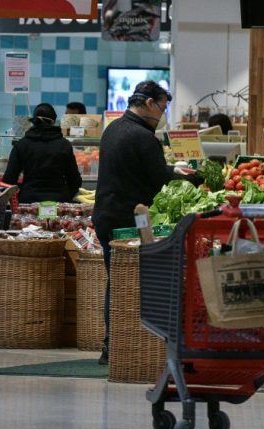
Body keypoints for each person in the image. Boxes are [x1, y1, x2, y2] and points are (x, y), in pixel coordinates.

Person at [92, 81, 197, 365]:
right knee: (132, 284)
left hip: (106, 215)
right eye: (163, 107)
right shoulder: (144, 137)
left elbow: (141, 170)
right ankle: (127, 346)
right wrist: (189, 179)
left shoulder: (114, 128)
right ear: (149, 103)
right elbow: (158, 180)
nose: (163, 114)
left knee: (117, 281)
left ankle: (112, 344)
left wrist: (171, 169)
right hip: (128, 220)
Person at [2, 103, 82, 204]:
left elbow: (8, 180)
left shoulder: (21, 145)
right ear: (53, 122)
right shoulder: (64, 145)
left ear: (34, 121)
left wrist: (19, 195)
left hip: (28, 202)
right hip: (59, 202)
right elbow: (75, 181)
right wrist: (66, 196)